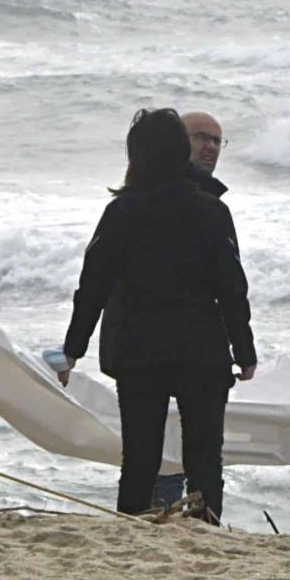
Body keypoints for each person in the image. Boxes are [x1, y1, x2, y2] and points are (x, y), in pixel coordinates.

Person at [60, 108, 256, 523]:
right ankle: (205, 530)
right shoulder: (210, 212)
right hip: (201, 350)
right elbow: (232, 288)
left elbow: (92, 285)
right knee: (204, 457)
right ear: (182, 152)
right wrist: (245, 351)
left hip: (139, 352)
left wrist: (72, 349)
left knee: (140, 456)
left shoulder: (122, 212)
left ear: (137, 156)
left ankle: (131, 527)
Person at [155, 110, 237, 509]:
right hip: (166, 344)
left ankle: (191, 518)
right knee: (166, 450)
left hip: (192, 345)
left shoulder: (213, 202)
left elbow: (231, 284)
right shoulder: (150, 198)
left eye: (217, 141)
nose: (210, 147)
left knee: (198, 454)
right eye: (201, 137)